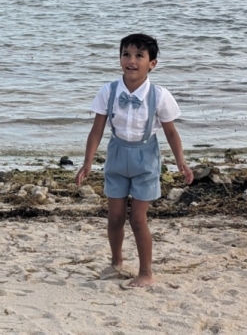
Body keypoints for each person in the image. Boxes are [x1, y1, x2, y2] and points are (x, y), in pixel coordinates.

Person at [75, 33, 193, 288]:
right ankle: (116, 262)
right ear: (120, 59)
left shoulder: (159, 96)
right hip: (116, 155)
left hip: (145, 158)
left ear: (152, 63)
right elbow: (96, 130)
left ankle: (146, 272)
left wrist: (181, 162)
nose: (132, 60)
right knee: (115, 217)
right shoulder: (109, 91)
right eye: (126, 54)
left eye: (140, 55)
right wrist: (87, 163)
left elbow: (171, 132)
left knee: (138, 219)